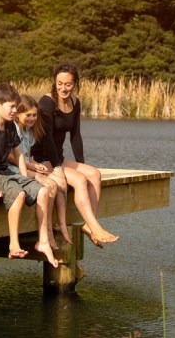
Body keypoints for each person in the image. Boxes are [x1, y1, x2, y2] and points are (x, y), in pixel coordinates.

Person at [0, 82, 58, 266]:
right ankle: (13, 244)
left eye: (15, 107)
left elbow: (18, 153)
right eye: (11, 107)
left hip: (5, 172)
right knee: (18, 194)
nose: (13, 111)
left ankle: (42, 241)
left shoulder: (9, 126)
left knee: (42, 191)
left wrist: (25, 177)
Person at [33, 62, 118, 247]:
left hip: (59, 158)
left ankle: (89, 225)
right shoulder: (46, 103)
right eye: (60, 83)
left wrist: (81, 164)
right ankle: (97, 227)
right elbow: (46, 139)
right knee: (79, 180)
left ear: (75, 83)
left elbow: (75, 136)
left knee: (94, 174)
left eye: (68, 84)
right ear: (54, 82)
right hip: (41, 158)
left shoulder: (75, 102)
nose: (64, 88)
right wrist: (56, 167)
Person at [12, 94, 71, 248]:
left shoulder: (29, 131)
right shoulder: (14, 130)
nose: (32, 119)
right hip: (15, 169)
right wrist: (32, 167)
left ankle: (59, 224)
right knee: (50, 185)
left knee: (60, 182)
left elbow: (28, 156)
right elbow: (10, 157)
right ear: (18, 114)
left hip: (27, 166)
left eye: (34, 115)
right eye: (28, 115)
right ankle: (46, 234)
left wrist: (35, 164)